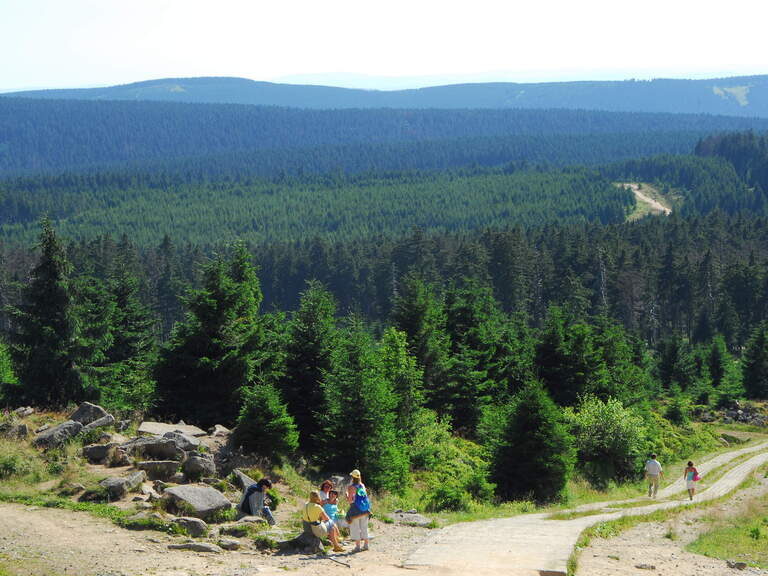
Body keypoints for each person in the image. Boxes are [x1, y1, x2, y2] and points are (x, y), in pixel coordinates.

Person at [346, 469, 371, 552]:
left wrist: (347, 496)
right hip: (365, 509)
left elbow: (350, 501)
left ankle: (357, 547)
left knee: (355, 527)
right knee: (364, 527)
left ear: (352, 477)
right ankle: (366, 545)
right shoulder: (362, 485)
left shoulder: (351, 487)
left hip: (355, 509)